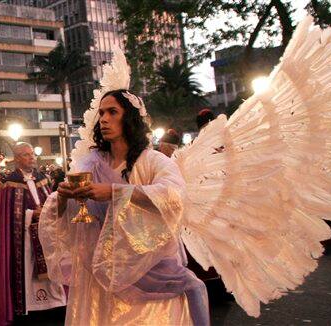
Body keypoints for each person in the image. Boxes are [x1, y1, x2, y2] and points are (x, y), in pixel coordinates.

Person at [39, 89, 209, 325]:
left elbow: (174, 197)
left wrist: (114, 192)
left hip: (148, 273)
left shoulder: (153, 161)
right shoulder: (90, 163)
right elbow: (72, 219)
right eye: (101, 113)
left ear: (129, 118)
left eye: (112, 112)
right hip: (99, 275)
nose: (104, 119)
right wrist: (63, 199)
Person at [0, 142, 67, 325]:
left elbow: (52, 203)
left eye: (32, 154)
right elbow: (7, 217)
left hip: (46, 235)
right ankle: (28, 308)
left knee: (52, 271)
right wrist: (32, 214)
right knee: (27, 272)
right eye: (26, 154)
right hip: (22, 240)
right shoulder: (9, 183)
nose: (31, 157)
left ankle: (54, 305)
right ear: (16, 159)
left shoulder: (42, 178)